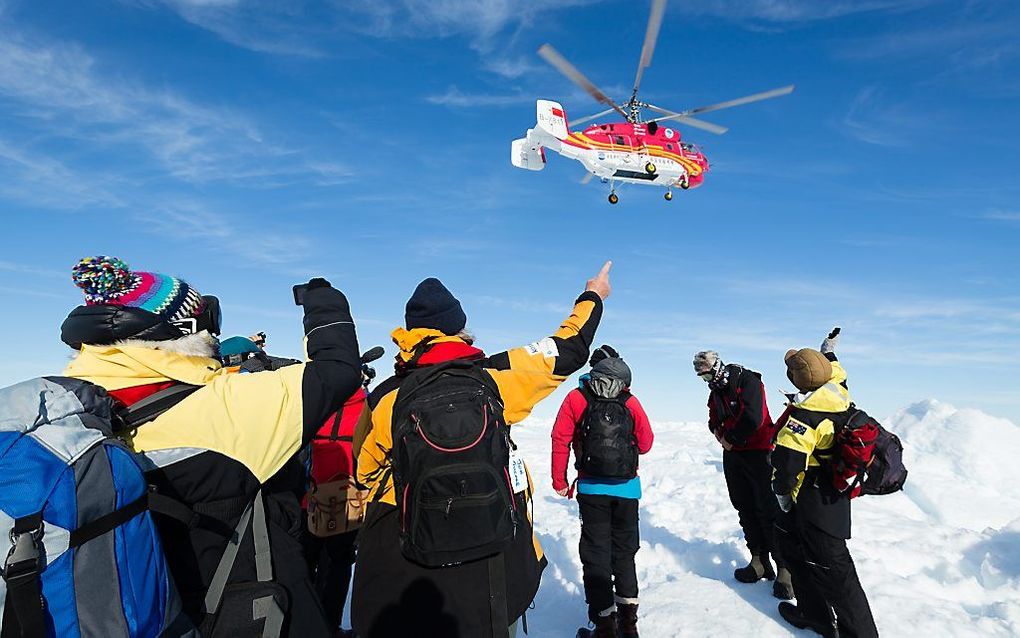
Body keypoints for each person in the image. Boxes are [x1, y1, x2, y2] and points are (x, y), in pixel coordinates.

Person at [60, 256, 362, 637]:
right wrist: (324, 300)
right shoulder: (231, 405)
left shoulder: (62, 409)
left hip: (115, 616)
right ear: (187, 329)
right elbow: (338, 369)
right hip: (238, 612)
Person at [352, 262, 612, 638]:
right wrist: (593, 295)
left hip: (407, 566)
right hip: (492, 567)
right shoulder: (496, 378)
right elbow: (568, 348)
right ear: (461, 331)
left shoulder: (387, 398)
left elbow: (364, 472)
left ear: (410, 336)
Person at [771, 329, 879, 637]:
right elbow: (836, 371)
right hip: (832, 493)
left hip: (814, 500)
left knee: (835, 571)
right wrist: (827, 351)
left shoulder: (803, 419)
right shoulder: (836, 391)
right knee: (794, 549)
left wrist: (783, 497)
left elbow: (786, 468)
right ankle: (813, 614)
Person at [551, 347, 653, 638]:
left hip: (591, 489)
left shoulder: (576, 397)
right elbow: (646, 443)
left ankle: (605, 626)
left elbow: (560, 438)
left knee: (596, 555)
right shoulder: (630, 400)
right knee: (624, 555)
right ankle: (629, 626)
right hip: (627, 490)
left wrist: (560, 480)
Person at [692, 350, 792, 599]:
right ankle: (759, 561)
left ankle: (784, 569)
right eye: (701, 379)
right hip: (734, 454)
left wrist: (731, 438)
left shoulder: (747, 381)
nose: (706, 382)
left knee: (768, 508)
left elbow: (754, 418)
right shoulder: (716, 390)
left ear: (716, 368)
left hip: (759, 453)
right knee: (744, 506)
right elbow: (712, 419)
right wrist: (720, 435)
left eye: (706, 376)